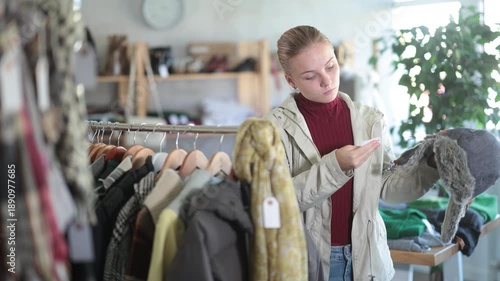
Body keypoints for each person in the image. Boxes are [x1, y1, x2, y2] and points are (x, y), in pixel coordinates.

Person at [264, 25, 440, 281]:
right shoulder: (272, 128)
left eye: (331, 66)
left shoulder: (370, 120)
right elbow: (274, 202)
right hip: (309, 262)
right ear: (291, 81)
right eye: (310, 76)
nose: (326, 80)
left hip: (368, 259)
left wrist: (432, 165)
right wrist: (335, 166)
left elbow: (389, 186)